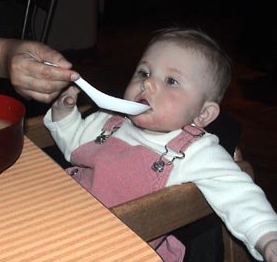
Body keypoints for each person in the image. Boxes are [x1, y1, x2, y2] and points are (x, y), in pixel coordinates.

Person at [43, 27, 277, 262]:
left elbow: (238, 195)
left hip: (124, 250)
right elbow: (73, 148)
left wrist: (267, 236)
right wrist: (64, 113)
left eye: (171, 81)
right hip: (65, 221)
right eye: (144, 73)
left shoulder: (196, 151)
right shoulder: (108, 122)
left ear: (203, 114)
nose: (148, 85)